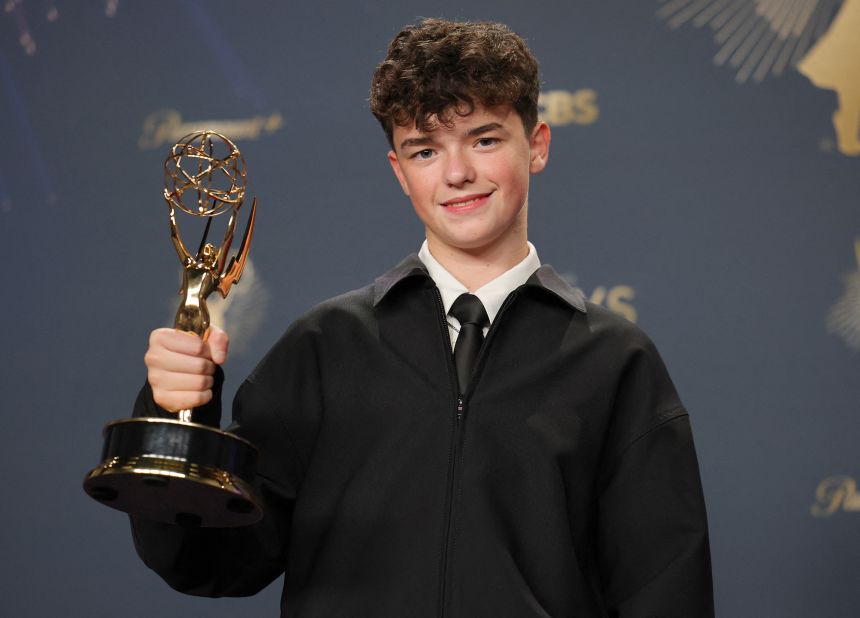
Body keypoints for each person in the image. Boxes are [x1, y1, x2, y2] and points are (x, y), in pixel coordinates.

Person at [132, 18, 714, 617]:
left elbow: (667, 595)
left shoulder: (616, 364)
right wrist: (173, 417)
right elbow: (205, 559)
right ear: (399, 170)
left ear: (537, 144)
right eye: (426, 150)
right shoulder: (324, 349)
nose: (456, 173)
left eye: (484, 140)